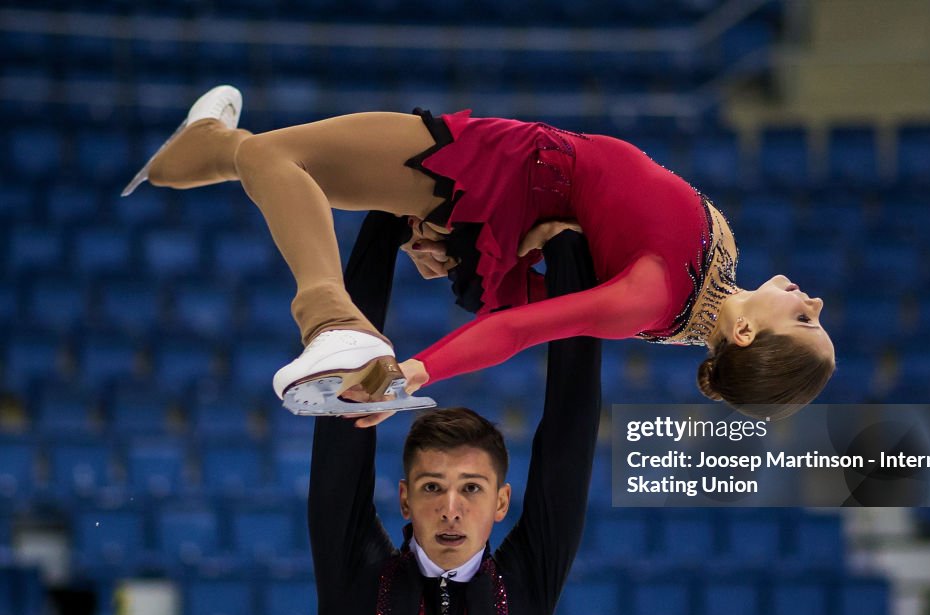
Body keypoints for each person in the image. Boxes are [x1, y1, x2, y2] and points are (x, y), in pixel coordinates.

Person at [125, 85, 834, 419]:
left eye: (804, 320)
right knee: (263, 157)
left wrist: (407, 372)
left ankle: (328, 317)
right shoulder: (698, 280)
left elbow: (521, 328)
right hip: (513, 190)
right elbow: (576, 240)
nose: (815, 300)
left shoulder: (658, 298)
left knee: (280, 157)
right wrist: (477, 247)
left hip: (503, 168)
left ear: (743, 334)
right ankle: (184, 150)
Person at [307, 213, 602, 615]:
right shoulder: (356, 578)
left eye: (470, 488)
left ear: (501, 501)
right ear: (404, 498)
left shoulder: (526, 586)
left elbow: (572, 430)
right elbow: (342, 429)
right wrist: (385, 226)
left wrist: (569, 258)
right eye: (431, 487)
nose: (450, 509)